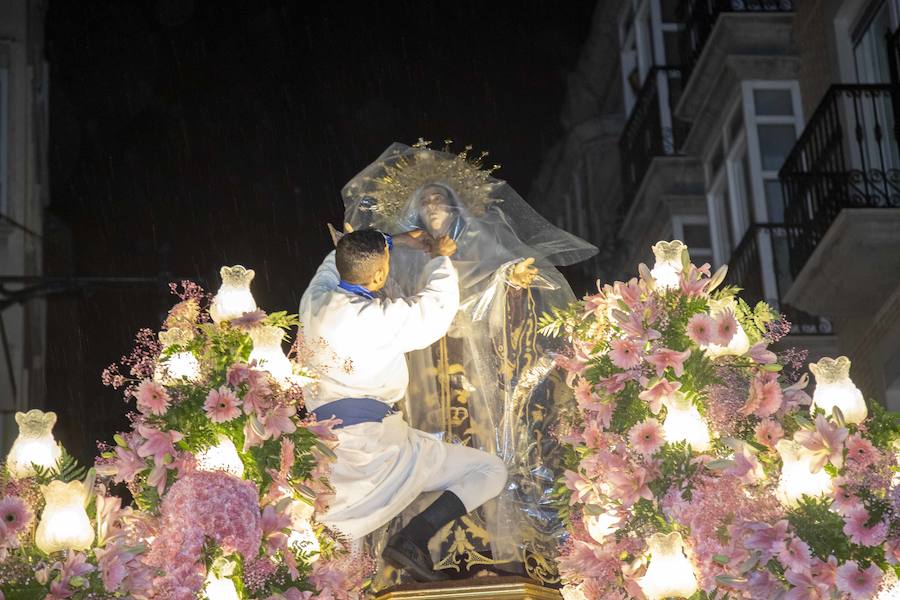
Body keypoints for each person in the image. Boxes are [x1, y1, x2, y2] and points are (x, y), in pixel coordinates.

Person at [341, 142, 597, 578]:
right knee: (423, 446)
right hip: (423, 368)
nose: (434, 204)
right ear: (414, 211)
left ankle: (487, 537)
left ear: (458, 206)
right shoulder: (401, 254)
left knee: (482, 443)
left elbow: (500, 287)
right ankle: (418, 540)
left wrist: (509, 281)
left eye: (441, 197)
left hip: (472, 364)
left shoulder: (481, 246)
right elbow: (380, 301)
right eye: (425, 200)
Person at [299, 228, 508, 582]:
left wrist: (392, 239)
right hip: (377, 450)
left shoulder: (314, 301)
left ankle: (392, 549)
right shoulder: (382, 319)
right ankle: (414, 536)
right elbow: (437, 308)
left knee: (338, 571)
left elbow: (332, 263)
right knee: (491, 471)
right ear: (380, 275)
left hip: (323, 450)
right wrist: (440, 256)